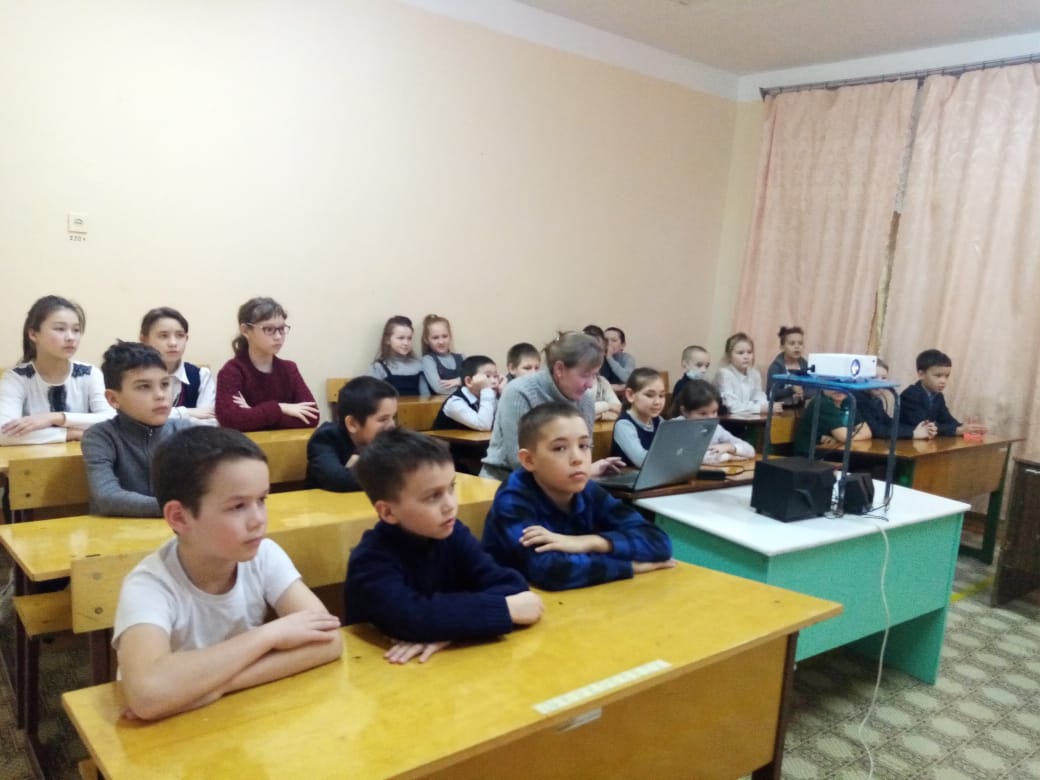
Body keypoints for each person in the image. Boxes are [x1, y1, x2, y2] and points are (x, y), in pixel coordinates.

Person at [113, 427, 342, 721]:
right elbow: (148, 694)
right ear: (179, 517)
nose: (258, 520)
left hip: (231, 716)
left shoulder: (264, 554)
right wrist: (268, 635)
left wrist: (217, 686)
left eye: (262, 500)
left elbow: (329, 640)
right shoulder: (148, 585)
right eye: (237, 506)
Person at [343, 429, 543, 664]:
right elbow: (409, 617)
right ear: (388, 512)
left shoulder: (453, 533)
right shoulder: (369, 560)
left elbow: (512, 586)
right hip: (383, 671)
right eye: (433, 496)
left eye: (451, 487)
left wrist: (447, 628)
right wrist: (491, 614)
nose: (450, 504)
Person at [482, 403, 674, 591]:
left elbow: (659, 542)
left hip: (583, 597)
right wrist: (628, 566)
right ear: (529, 460)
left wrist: (589, 542)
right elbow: (552, 570)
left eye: (584, 445)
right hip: (519, 601)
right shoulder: (513, 498)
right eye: (560, 448)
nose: (578, 458)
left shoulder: (588, 490)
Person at [480, 332, 623, 481]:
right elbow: (520, 462)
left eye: (594, 375)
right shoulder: (519, 392)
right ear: (559, 369)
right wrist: (585, 471)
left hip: (564, 481)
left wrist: (586, 470)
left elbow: (585, 449)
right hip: (506, 481)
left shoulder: (585, 399)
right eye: (585, 375)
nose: (590, 384)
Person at [81, 342, 193, 517]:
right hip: (116, 530)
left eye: (165, 384)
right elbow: (107, 497)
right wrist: (179, 510)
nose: (160, 395)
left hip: (175, 527)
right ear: (113, 399)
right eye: (144, 387)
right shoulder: (100, 437)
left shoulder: (185, 431)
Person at [0, 295, 113, 446]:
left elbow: (111, 419)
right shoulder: (16, 377)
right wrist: (71, 433)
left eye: (76, 330)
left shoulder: (89, 373)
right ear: (33, 334)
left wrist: (55, 418)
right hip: (34, 460)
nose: (71, 337)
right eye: (60, 329)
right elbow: (3, 433)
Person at [215, 297, 318, 431]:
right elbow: (230, 420)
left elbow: (312, 417)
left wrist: (253, 413)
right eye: (269, 329)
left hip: (286, 443)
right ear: (245, 330)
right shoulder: (232, 371)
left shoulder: (289, 369)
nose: (278, 337)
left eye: (282, 329)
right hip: (246, 445)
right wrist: (281, 408)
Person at [306, 376, 399, 492]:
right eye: (383, 419)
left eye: (393, 417)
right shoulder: (325, 439)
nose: (392, 425)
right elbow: (338, 481)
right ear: (352, 423)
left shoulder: (390, 440)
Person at [139, 307, 216, 425]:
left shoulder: (201, 375)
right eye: (164, 336)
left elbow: (209, 423)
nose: (173, 343)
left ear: (186, 339)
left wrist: (161, 418)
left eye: (180, 335)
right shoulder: (132, 376)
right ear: (144, 340)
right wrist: (186, 412)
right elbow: (130, 419)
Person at [899, 349, 986, 438]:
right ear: (921, 374)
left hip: (926, 441)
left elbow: (946, 419)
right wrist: (956, 430)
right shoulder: (910, 394)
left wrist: (965, 427)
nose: (943, 381)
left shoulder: (938, 396)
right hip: (906, 441)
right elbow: (925, 425)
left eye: (947, 376)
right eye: (938, 376)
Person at [671, 379, 755, 463]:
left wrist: (730, 447)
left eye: (714, 412)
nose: (711, 418)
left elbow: (750, 450)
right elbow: (689, 457)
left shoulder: (716, 429)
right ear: (684, 411)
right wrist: (729, 456)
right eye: (703, 413)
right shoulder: (674, 428)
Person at [853, 359, 935, 440]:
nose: (879, 382)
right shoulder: (857, 399)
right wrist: (913, 433)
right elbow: (876, 430)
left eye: (883, 378)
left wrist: (916, 429)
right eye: (873, 377)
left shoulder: (876, 400)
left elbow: (888, 422)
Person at [611, 368, 667, 468]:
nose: (657, 402)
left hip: (656, 474)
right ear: (630, 395)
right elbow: (641, 461)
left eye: (661, 395)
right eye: (650, 395)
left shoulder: (660, 421)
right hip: (628, 476)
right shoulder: (624, 425)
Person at [714, 332, 781, 416]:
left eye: (749, 352)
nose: (746, 357)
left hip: (748, 417)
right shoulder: (724, 374)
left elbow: (759, 397)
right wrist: (760, 408)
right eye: (740, 353)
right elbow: (731, 406)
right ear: (729, 356)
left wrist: (769, 406)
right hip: (727, 418)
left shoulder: (755, 374)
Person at [794, 388, 872, 457]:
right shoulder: (822, 402)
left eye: (842, 385)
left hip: (834, 451)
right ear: (824, 385)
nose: (839, 390)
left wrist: (839, 438)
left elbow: (867, 433)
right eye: (834, 385)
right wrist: (849, 435)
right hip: (810, 456)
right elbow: (844, 437)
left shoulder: (848, 400)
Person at [431, 355, 499, 431]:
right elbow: (484, 426)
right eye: (487, 376)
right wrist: (486, 390)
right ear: (469, 381)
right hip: (447, 438)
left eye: (495, 376)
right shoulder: (454, 402)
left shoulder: (488, 396)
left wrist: (504, 393)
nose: (494, 381)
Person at [366, 315, 430, 397]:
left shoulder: (418, 366)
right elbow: (371, 397)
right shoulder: (378, 367)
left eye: (409, 338)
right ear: (387, 340)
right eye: (400, 338)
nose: (406, 343)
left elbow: (425, 397)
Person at [765, 325, 814, 406]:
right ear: (782, 347)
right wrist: (791, 390)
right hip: (782, 407)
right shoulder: (776, 367)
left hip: (801, 405)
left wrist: (802, 394)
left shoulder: (805, 364)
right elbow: (771, 394)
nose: (797, 347)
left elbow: (812, 388)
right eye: (792, 343)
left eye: (800, 343)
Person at [581, 326, 622, 421]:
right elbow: (578, 412)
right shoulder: (572, 381)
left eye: (601, 351)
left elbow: (619, 409)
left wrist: (601, 415)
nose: (596, 356)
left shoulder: (602, 382)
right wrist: (607, 406)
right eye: (590, 351)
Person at [420, 314, 465, 395]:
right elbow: (439, 388)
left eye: (444, 336)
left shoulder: (462, 357)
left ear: (450, 337)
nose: (441, 342)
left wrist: (458, 381)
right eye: (435, 338)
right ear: (426, 340)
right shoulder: (428, 360)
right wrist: (464, 383)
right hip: (441, 402)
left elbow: (476, 380)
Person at [601, 326, 635, 391]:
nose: (609, 343)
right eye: (606, 340)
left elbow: (628, 379)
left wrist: (609, 358)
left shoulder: (627, 359)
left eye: (614, 340)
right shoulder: (598, 357)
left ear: (622, 345)